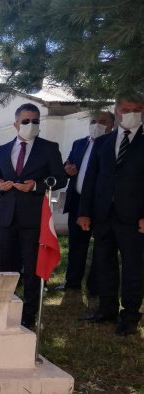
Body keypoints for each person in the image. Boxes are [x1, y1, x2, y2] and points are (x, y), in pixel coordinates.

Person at [0, 103, 66, 328]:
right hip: (7, 217)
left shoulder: (49, 148)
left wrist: (36, 186)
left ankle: (28, 314)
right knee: (7, 265)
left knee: (32, 267)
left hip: (33, 217)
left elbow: (60, 179)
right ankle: (5, 307)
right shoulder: (3, 150)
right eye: (26, 121)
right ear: (16, 124)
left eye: (35, 121)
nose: (31, 125)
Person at [77, 94, 144, 336]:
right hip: (103, 214)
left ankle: (130, 315)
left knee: (133, 266)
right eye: (126, 109)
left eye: (137, 109)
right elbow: (91, 179)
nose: (132, 113)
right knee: (104, 263)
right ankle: (107, 309)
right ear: (117, 112)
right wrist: (84, 212)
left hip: (134, 217)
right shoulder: (103, 142)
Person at [55, 111, 115, 293]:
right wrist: (67, 169)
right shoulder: (79, 144)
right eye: (93, 121)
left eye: (102, 121)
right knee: (76, 244)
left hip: (102, 204)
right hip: (77, 201)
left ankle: (94, 286)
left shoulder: (114, 145)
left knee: (101, 247)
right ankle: (72, 281)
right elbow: (67, 165)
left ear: (112, 125)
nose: (97, 125)